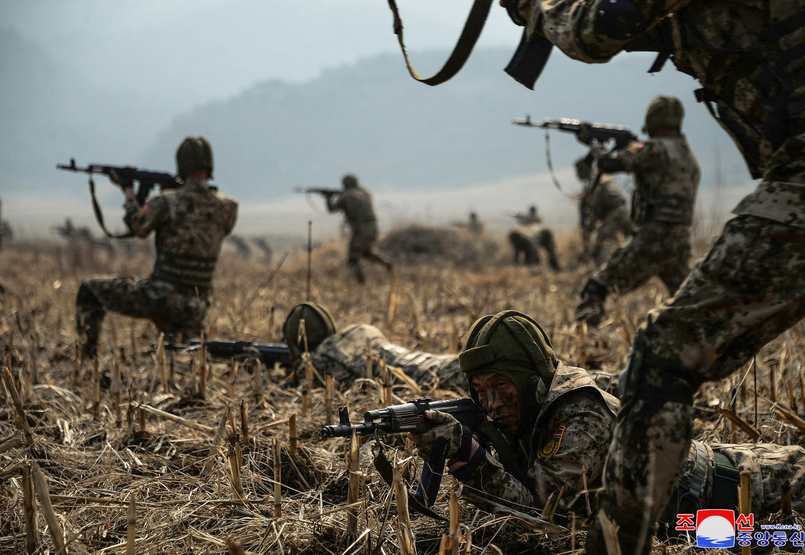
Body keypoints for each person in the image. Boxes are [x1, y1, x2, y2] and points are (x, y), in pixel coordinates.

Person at [496, 3, 805, 552]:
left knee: (658, 347)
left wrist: (537, 10)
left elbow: (597, 29)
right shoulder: (683, 150)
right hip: (678, 239)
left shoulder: (655, 148)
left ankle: (617, 543)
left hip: (669, 233)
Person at [410, 311, 805, 525]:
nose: (490, 402)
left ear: (531, 380)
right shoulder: (534, 404)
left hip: (748, 496)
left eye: (500, 386)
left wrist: (472, 459)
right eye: (479, 390)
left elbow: (544, 513)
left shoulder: (580, 414)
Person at [75, 137, 238, 357]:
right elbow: (201, 222)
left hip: (158, 298)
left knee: (89, 290)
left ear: (182, 165)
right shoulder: (228, 208)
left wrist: (129, 193)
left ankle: (87, 357)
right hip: (196, 306)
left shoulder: (165, 202)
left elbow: (138, 227)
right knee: (183, 356)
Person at [575, 96, 700, 326]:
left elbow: (609, 164)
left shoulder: (654, 148)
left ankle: (587, 344)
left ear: (653, 120)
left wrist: (593, 144)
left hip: (652, 237)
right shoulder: (688, 155)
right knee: (689, 302)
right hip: (680, 240)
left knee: (597, 287)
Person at [282, 302, 466, 391]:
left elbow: (292, 387)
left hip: (442, 378)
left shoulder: (318, 363)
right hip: (444, 363)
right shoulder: (360, 330)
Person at [326, 173, 393, 283]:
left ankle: (361, 283)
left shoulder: (346, 196)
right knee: (366, 253)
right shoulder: (365, 193)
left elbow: (332, 209)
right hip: (372, 227)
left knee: (352, 260)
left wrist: (328, 198)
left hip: (360, 228)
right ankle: (387, 265)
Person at [576, 157, 632, 265]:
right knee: (631, 238)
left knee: (601, 239)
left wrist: (590, 227)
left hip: (615, 213)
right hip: (622, 211)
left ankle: (602, 268)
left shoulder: (594, 184)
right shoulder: (599, 179)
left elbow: (595, 209)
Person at [508, 205, 561, 270]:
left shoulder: (536, 219)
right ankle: (529, 266)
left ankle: (546, 265)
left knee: (534, 249)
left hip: (535, 237)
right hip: (529, 237)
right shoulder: (528, 219)